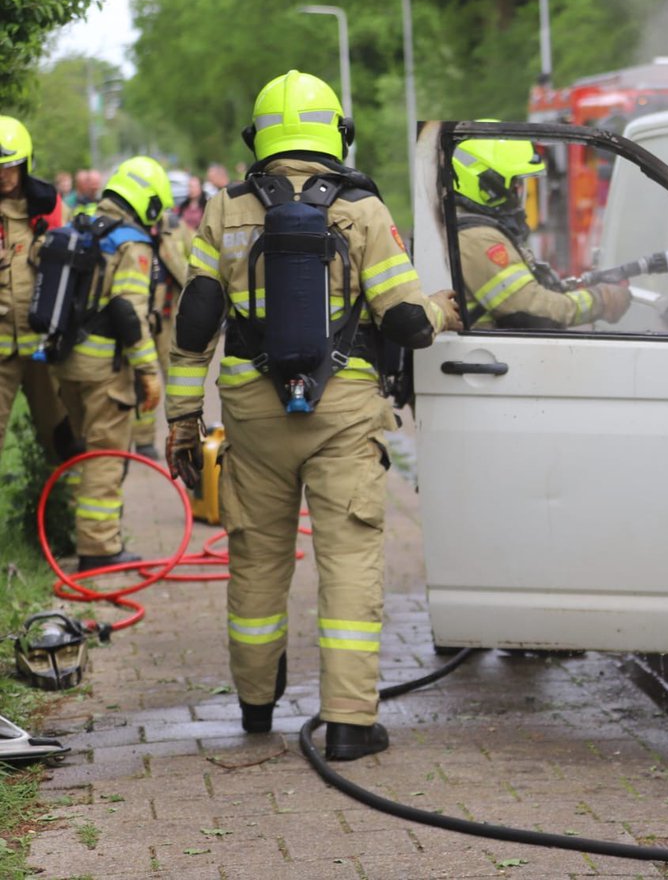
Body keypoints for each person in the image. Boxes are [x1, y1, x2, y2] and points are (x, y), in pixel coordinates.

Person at [164, 70, 460, 761]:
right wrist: (448, 307)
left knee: (258, 559)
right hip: (344, 415)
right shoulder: (361, 210)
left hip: (251, 416)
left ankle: (256, 705)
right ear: (336, 133)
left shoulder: (224, 210)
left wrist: (183, 420)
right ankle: (352, 725)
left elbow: (193, 328)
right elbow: (410, 321)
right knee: (350, 559)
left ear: (258, 137)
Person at [50, 155, 169, 569]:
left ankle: (87, 532)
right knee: (105, 454)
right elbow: (128, 310)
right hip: (105, 371)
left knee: (85, 450)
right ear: (148, 203)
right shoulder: (131, 243)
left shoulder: (81, 224)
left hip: (66, 363)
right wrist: (149, 371)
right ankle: (98, 549)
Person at [452, 132, 630, 329]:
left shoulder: (468, 230)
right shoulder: (478, 238)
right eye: (515, 184)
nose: (520, 193)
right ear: (489, 185)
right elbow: (529, 310)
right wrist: (601, 300)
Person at [0, 117, 71, 461]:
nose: (4, 175)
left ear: (25, 164)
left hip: (44, 346)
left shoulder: (50, 208)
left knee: (63, 434)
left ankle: (68, 510)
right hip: (2, 353)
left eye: (10, 167)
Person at [129, 175, 193, 460]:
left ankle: (181, 435)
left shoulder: (177, 229)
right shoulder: (130, 230)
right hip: (142, 317)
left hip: (170, 316)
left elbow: (197, 262)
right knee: (144, 377)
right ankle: (143, 441)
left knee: (176, 378)